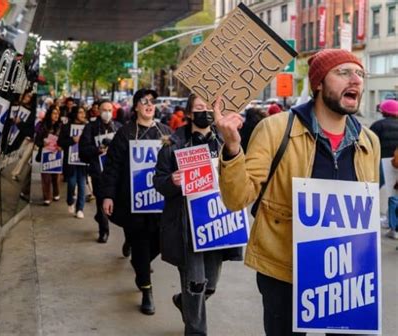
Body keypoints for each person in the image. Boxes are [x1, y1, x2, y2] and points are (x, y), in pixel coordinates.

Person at [214, 49, 380, 335]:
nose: (355, 79)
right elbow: (236, 198)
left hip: (347, 276)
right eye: (343, 72)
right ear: (318, 83)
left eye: (360, 74)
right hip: (284, 272)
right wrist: (231, 148)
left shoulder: (370, 142)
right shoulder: (275, 129)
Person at [154, 93, 243, 335]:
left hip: (216, 226)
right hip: (187, 228)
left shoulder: (225, 142)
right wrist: (172, 181)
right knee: (195, 284)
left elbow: (240, 175)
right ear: (190, 114)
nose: (204, 112)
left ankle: (184, 303)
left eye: (208, 108)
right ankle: (195, 330)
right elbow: (158, 181)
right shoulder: (172, 144)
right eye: (199, 108)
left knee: (209, 285)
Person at [100, 88, 171, 315]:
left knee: (159, 244)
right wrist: (108, 195)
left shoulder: (167, 134)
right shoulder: (126, 134)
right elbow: (112, 168)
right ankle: (146, 289)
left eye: (152, 102)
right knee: (141, 245)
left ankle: (138, 259)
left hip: (160, 204)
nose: (149, 105)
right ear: (136, 107)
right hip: (134, 204)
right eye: (144, 101)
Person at [79, 100, 121, 242]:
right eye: (104, 109)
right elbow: (83, 151)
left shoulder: (119, 127)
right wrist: (97, 150)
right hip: (98, 172)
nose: (107, 113)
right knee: (102, 200)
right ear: (98, 111)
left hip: (116, 172)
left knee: (118, 202)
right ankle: (104, 230)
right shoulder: (90, 128)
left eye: (110, 110)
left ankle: (101, 217)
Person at [370, 99, 398, 239]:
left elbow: (368, 144)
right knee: (394, 196)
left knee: (372, 189)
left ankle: (367, 218)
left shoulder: (378, 125)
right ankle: (393, 227)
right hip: (396, 163)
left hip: (381, 162)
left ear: (383, 111)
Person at [58, 107, 89, 218]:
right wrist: (72, 140)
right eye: (80, 112)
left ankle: (80, 209)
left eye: (83, 112)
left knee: (82, 185)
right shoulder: (67, 127)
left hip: (83, 161)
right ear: (75, 114)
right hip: (70, 161)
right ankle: (70, 201)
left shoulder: (87, 127)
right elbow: (60, 142)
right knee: (71, 183)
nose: (83, 114)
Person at [35, 105, 63, 205]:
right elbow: (37, 140)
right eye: (54, 113)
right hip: (45, 153)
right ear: (49, 114)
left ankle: (56, 193)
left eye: (58, 114)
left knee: (55, 176)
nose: (57, 115)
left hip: (57, 153)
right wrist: (43, 142)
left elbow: (65, 139)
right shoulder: (43, 125)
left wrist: (61, 146)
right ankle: (47, 197)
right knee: (45, 176)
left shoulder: (61, 125)